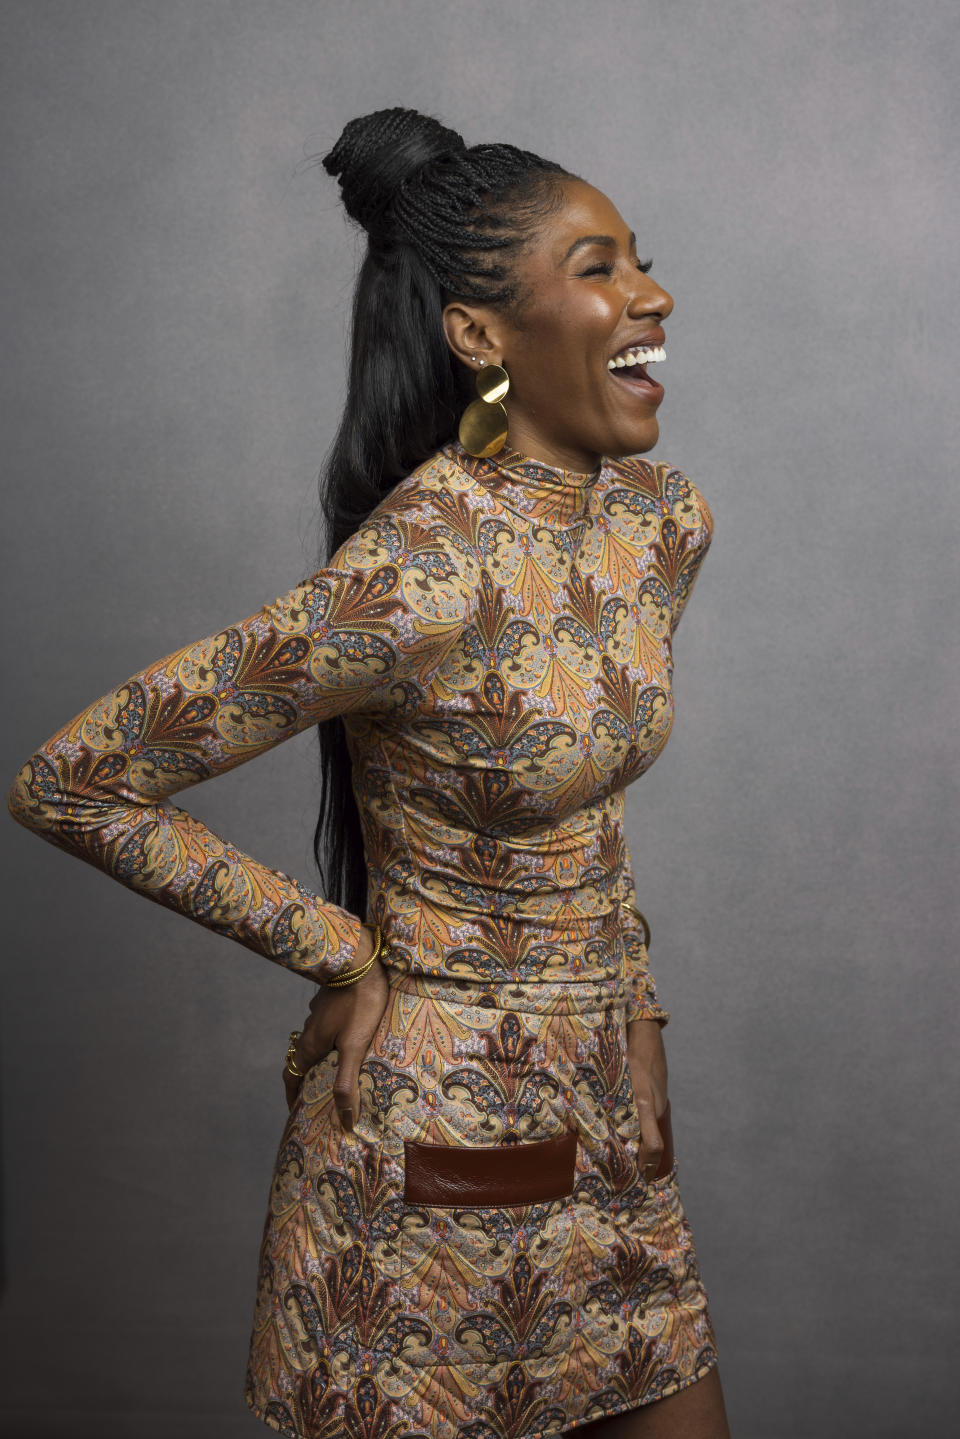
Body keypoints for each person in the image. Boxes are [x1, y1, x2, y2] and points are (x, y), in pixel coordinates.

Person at [7, 108, 731, 1439]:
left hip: (618, 1114)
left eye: (640, 258)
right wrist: (336, 948)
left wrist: (639, 1024)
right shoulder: (415, 580)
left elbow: (579, 815)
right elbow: (75, 779)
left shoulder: (660, 525)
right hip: (438, 1146)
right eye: (599, 266)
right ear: (479, 334)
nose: (651, 294)